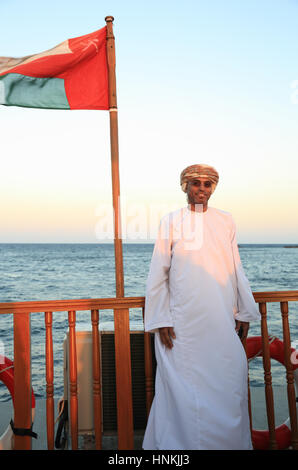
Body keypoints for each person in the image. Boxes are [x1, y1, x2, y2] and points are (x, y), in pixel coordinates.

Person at [142, 164, 260, 450]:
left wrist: (244, 310)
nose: (202, 189)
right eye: (196, 183)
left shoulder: (226, 221)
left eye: (208, 184)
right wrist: (160, 318)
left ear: (213, 189)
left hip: (220, 319)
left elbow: (235, 266)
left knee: (227, 385)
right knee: (181, 391)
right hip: (182, 323)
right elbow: (159, 271)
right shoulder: (170, 221)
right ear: (185, 186)